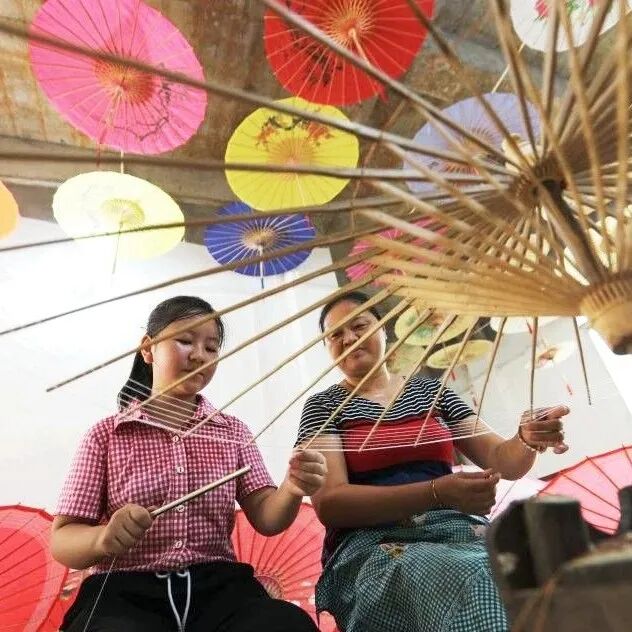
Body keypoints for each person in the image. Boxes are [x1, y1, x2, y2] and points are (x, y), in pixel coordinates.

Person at [296, 291, 570, 632]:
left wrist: (526, 438)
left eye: (359, 326)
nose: (349, 338)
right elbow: (331, 503)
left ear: (383, 330)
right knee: (479, 579)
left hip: (460, 530)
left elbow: (502, 459)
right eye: (335, 335)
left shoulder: (431, 393)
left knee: (551, 570)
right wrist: (436, 492)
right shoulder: (324, 407)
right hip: (374, 547)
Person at [51, 296, 326, 632]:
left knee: (285, 625)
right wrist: (103, 539)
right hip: (124, 592)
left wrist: (293, 487)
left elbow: (268, 518)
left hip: (221, 591)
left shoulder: (233, 431)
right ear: (148, 349)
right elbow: (63, 540)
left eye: (211, 348)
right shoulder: (105, 435)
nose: (199, 355)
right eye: (184, 341)